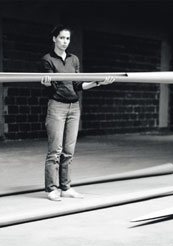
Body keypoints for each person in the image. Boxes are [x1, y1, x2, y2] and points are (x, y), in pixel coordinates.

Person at [41, 25, 115, 201]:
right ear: (54, 39)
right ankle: (51, 189)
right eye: (61, 38)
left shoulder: (74, 60)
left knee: (69, 150)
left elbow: (77, 86)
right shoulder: (47, 59)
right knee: (55, 151)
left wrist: (97, 82)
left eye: (67, 39)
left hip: (74, 107)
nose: (65, 42)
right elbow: (51, 85)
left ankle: (65, 187)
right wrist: (45, 84)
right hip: (57, 106)